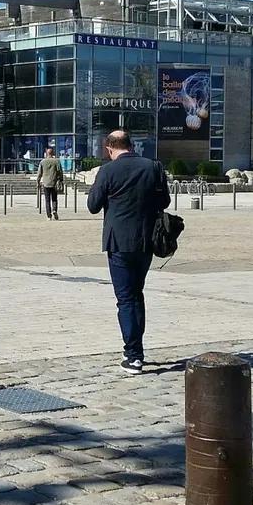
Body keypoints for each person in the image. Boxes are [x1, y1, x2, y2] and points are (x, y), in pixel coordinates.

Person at [86, 130, 171, 375]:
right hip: (146, 240)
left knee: (126, 299)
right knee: (137, 295)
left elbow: (93, 206)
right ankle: (135, 349)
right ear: (130, 145)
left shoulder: (107, 170)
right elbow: (164, 201)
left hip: (118, 242)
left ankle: (134, 356)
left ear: (109, 148)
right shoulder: (153, 167)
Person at [38, 147, 65, 220]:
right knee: (54, 199)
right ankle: (54, 210)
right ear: (52, 153)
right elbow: (60, 171)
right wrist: (61, 180)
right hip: (54, 182)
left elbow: (39, 173)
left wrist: (38, 181)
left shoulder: (43, 162)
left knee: (47, 200)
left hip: (46, 183)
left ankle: (49, 216)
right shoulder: (56, 161)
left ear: (47, 153)